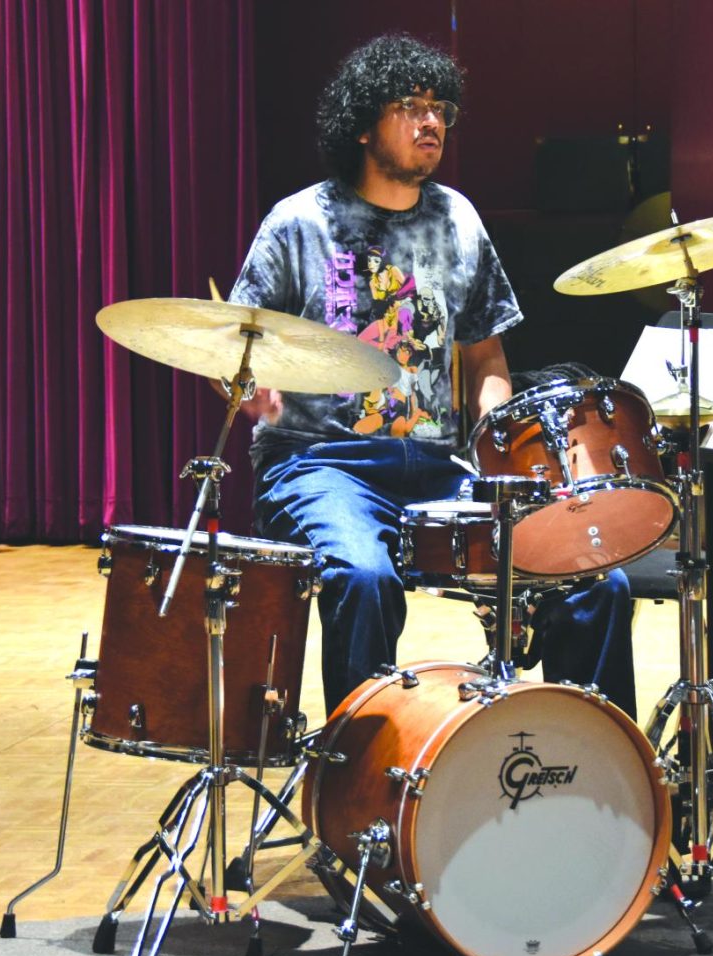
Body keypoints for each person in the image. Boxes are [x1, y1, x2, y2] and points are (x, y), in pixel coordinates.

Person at [227, 32, 636, 720]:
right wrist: (246, 385)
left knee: (596, 580)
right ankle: (356, 792)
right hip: (322, 464)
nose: (433, 121)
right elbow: (232, 351)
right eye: (411, 106)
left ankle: (596, 773)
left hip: (441, 464)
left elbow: (486, 361)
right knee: (362, 577)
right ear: (362, 125)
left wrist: (503, 455)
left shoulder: (459, 219)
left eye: (440, 106)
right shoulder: (298, 224)